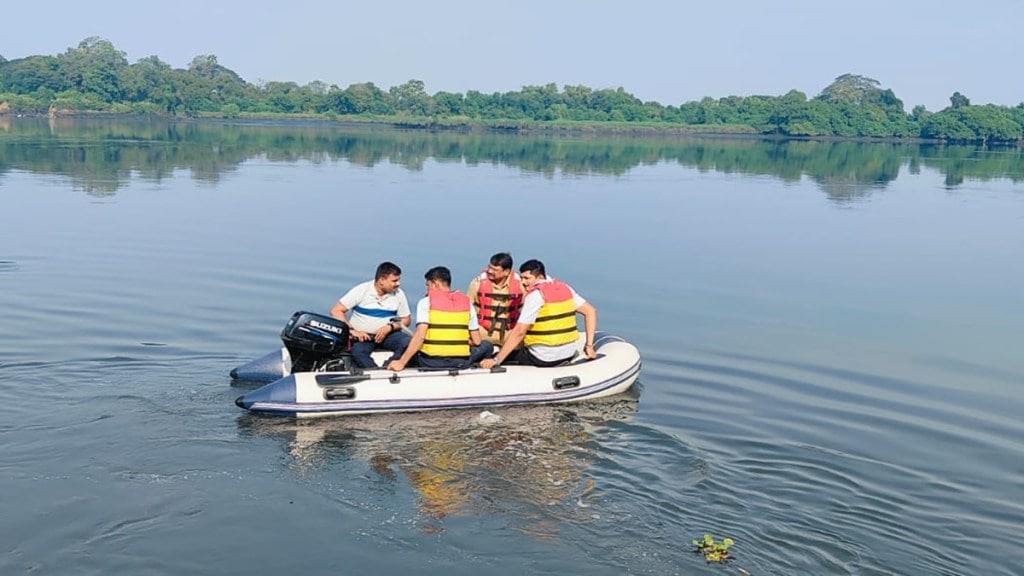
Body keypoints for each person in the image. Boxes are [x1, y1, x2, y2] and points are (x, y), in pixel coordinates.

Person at [480, 259, 597, 369]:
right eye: (521, 278)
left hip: (541, 357)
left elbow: (520, 331)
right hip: (568, 353)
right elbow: (590, 311)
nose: (524, 282)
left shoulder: (536, 295)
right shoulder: (566, 289)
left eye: (527, 278)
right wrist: (589, 346)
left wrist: (496, 360)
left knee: (493, 354)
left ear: (539, 277)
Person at [387, 266, 494, 371]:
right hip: (461, 362)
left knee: (406, 342)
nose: (427, 289)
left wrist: (402, 362)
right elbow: (477, 341)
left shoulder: (425, 302)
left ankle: (391, 364)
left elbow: (420, 335)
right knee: (487, 345)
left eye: (428, 285)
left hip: (429, 362)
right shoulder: (467, 303)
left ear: (435, 284)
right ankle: (484, 365)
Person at [329, 261, 412, 368]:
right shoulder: (362, 290)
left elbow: (406, 319)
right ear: (382, 280)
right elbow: (336, 311)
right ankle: (375, 371)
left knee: (409, 343)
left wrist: (390, 327)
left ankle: (390, 366)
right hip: (364, 336)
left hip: (388, 335)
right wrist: (352, 331)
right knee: (357, 352)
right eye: (394, 281)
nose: (398, 284)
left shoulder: (399, 294)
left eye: (398, 280)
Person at [467, 252, 525, 347]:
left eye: (495, 269)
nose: (490, 271)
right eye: (489, 267)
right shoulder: (477, 284)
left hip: (509, 335)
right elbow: (467, 308)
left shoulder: (520, 285)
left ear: (506, 271)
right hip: (483, 335)